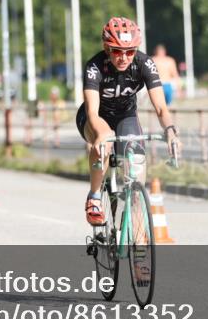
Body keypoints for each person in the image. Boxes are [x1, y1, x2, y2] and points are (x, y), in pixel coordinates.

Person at [77, 17, 180, 227]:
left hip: (126, 115)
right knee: (104, 141)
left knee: (137, 173)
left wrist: (170, 131)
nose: (123, 57)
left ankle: (135, 232)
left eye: (130, 51)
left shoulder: (144, 63)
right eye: (117, 51)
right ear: (106, 48)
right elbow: (92, 113)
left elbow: (161, 108)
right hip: (96, 117)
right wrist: (102, 135)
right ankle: (95, 196)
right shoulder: (94, 67)